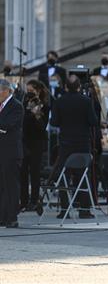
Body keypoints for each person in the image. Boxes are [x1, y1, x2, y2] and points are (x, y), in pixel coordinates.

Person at [48, 75, 98, 219]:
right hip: (82, 143)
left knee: (64, 175)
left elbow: (55, 122)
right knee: (83, 175)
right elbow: (93, 121)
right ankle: (84, 209)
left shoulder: (59, 101)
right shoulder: (86, 101)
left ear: (65, 87)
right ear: (79, 87)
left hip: (65, 144)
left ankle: (64, 209)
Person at [20, 80, 50, 211]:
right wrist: (27, 109)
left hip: (37, 142)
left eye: (31, 91)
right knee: (23, 172)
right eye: (28, 91)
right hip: (25, 141)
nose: (29, 94)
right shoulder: (24, 104)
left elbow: (42, 127)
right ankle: (23, 200)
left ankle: (34, 200)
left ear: (38, 91)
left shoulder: (45, 106)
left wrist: (36, 113)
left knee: (35, 172)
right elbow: (22, 122)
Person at [0, 79, 24, 228]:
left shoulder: (16, 106)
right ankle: (2, 216)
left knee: (10, 185)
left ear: (6, 91)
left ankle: (12, 217)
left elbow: (8, 125)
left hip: (10, 152)